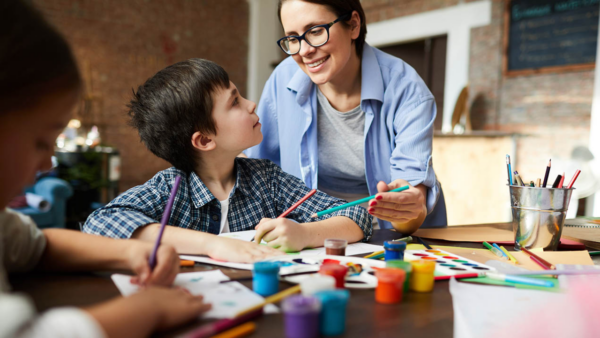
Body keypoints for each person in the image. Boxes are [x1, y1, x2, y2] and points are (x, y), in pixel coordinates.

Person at [0, 1, 211, 337]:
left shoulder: (266, 177)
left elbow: (35, 245)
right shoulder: (166, 184)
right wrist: (147, 309)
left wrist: (130, 251)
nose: (48, 162)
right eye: (41, 142)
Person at [83, 58, 372, 255]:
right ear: (205, 140)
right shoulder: (169, 189)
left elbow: (356, 215)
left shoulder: (267, 180)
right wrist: (212, 245)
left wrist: (304, 234)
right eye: (234, 102)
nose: (251, 104)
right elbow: (99, 224)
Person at [245, 0, 447, 234]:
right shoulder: (282, 79)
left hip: (389, 234)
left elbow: (412, 202)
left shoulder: (407, 89)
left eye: (316, 31)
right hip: (309, 232)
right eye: (292, 38)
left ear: (353, 25)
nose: (304, 50)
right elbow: (259, 168)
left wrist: (405, 206)